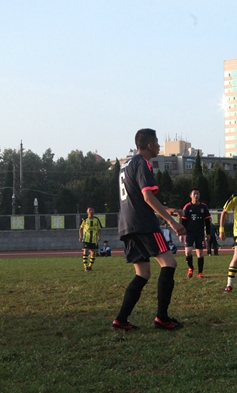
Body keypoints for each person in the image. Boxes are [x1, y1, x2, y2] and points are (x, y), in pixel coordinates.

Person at [111, 128, 186, 331]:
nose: (159, 146)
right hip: (144, 224)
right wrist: (172, 222)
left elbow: (138, 197)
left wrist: (165, 209)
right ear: (150, 145)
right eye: (157, 143)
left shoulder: (125, 166)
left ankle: (121, 319)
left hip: (127, 224)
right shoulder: (143, 163)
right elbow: (147, 196)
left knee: (142, 273)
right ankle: (162, 318)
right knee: (169, 263)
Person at [180, 188, 212, 279]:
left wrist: (208, 233)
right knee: (188, 252)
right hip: (189, 233)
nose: (196, 195)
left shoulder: (203, 207)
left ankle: (200, 273)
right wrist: (181, 234)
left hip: (200, 233)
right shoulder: (187, 207)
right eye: (194, 194)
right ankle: (191, 267)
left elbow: (207, 221)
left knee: (200, 253)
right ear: (191, 196)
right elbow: (183, 221)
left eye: (197, 194)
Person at [79, 207, 103, 271]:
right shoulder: (84, 219)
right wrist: (80, 236)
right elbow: (81, 228)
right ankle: (85, 266)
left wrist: (99, 236)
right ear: (87, 212)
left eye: (92, 210)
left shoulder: (96, 220)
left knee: (93, 252)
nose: (91, 211)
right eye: (89, 210)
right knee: (85, 251)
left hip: (94, 239)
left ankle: (90, 266)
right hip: (86, 238)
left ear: (94, 211)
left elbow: (99, 229)